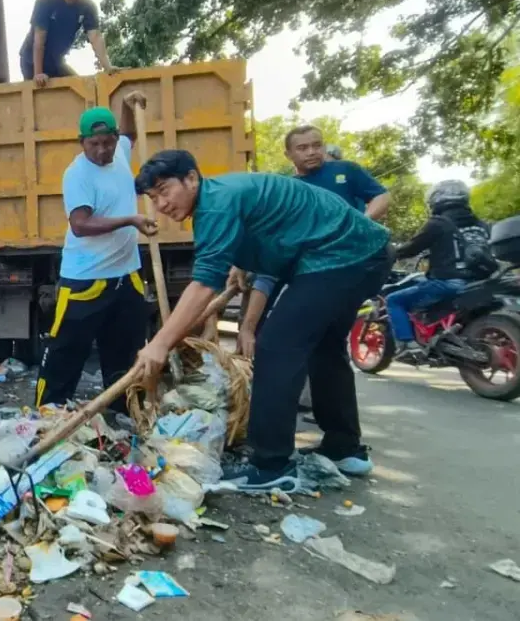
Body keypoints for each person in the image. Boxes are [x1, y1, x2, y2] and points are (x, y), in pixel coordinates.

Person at [132, 150, 392, 490]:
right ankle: (345, 448)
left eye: (164, 191)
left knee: (277, 348)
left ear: (192, 178)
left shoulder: (216, 202)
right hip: (363, 254)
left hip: (343, 255)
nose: (160, 206)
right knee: (324, 348)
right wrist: (244, 263)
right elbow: (271, 227)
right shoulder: (219, 197)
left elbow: (204, 284)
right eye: (153, 199)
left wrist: (161, 343)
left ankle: (272, 465)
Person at [36, 96, 158, 409]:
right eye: (94, 144)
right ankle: (46, 420)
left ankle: (125, 420)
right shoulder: (77, 175)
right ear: (82, 142)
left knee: (125, 357)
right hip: (85, 282)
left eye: (108, 142)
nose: (102, 150)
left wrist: (129, 109)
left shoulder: (120, 152)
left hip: (126, 278)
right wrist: (130, 219)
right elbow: (80, 224)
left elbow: (129, 134)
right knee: (65, 356)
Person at [237, 125, 391, 358]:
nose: (311, 152)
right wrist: (240, 263)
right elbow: (270, 236)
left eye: (317, 145)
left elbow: (382, 196)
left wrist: (360, 222)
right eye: (303, 148)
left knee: (326, 341)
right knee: (266, 279)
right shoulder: (289, 189)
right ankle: (249, 337)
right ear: (288, 155)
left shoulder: (345, 171)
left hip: (345, 264)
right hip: (306, 263)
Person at [387, 179, 491, 359]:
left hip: (450, 283)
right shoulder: (483, 225)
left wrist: (388, 255)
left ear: (437, 199)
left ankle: (407, 346)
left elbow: (411, 248)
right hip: (482, 283)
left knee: (394, 300)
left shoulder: (437, 223)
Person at [19, 0, 118, 87]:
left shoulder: (87, 7)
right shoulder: (46, 0)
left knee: (82, 87)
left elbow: (95, 37)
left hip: (55, 62)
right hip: (31, 61)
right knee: (41, 94)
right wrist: (38, 74)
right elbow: (39, 40)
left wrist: (108, 68)